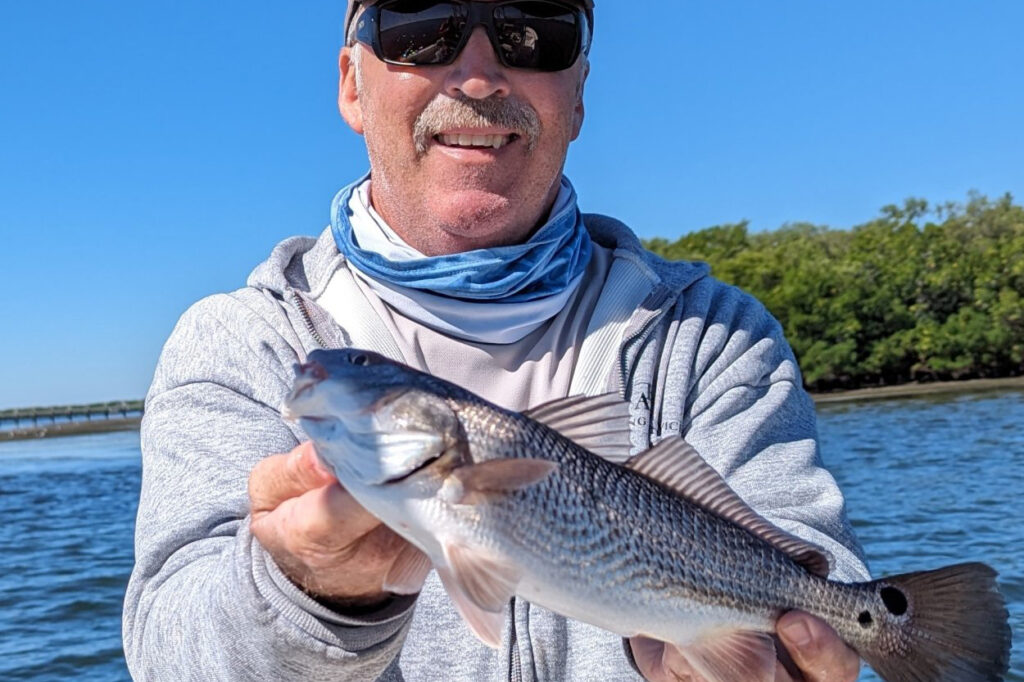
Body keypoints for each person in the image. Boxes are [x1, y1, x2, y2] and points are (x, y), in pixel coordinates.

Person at [123, 1, 869, 680]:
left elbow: (809, 555)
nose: (478, 77)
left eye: (532, 28)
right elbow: (169, 652)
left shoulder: (715, 338)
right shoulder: (242, 345)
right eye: (421, 22)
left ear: (578, 95)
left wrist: (790, 661)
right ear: (352, 83)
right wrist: (305, 596)